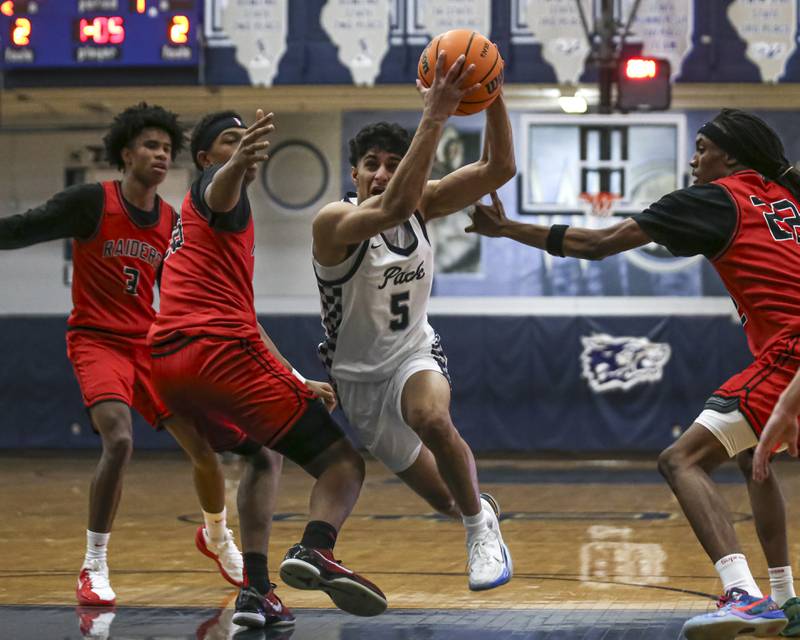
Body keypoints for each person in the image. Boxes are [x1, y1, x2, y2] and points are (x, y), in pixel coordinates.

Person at [466, 108, 800, 637]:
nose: (693, 160)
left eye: (702, 149)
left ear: (730, 156)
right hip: (787, 358)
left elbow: (597, 244)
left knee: (681, 460)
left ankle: (743, 595)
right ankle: (786, 600)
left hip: (790, 354)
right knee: (750, 458)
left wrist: (506, 228)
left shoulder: (717, 198)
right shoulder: (787, 198)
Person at [148, 109, 387, 627]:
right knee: (343, 464)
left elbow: (246, 318)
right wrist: (234, 162)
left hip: (167, 366)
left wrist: (296, 380)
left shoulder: (191, 227)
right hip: (219, 354)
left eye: (246, 139)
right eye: (230, 141)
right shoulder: (216, 190)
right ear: (205, 158)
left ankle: (256, 592)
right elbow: (219, 187)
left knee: (261, 453)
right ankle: (316, 548)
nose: (243, 148)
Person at [0, 103, 245, 606]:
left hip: (148, 343)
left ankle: (217, 536)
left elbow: (186, 293)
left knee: (204, 448)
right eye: (150, 146)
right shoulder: (92, 202)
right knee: (119, 440)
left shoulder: (173, 221)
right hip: (96, 340)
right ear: (126, 153)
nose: (160, 155)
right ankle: (93, 564)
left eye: (166, 148)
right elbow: (22, 228)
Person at [311, 51, 515, 591]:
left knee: (429, 416)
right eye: (371, 164)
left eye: (392, 164)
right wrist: (436, 115)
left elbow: (499, 168)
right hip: (359, 381)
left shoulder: (420, 204)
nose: (381, 174)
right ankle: (477, 511)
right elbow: (391, 210)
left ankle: (480, 533)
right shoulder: (333, 221)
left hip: (414, 353)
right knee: (448, 499)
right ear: (354, 174)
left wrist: (493, 94)